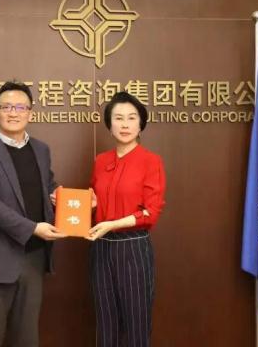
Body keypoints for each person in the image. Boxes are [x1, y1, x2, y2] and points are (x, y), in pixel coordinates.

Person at [0, 81, 66, 347]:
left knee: (27, 338)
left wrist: (67, 200)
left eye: (20, 107)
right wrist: (32, 228)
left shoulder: (41, 149)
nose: (13, 112)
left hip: (33, 256)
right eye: (6, 107)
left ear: (30, 112)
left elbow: (47, 187)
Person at [88, 91, 167, 347]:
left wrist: (113, 224)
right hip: (101, 247)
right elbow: (98, 201)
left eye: (131, 118)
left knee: (136, 324)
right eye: (118, 118)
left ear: (141, 123)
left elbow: (151, 212)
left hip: (133, 247)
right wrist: (90, 205)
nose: (125, 124)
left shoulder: (151, 161)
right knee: (106, 322)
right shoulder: (101, 161)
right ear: (109, 125)